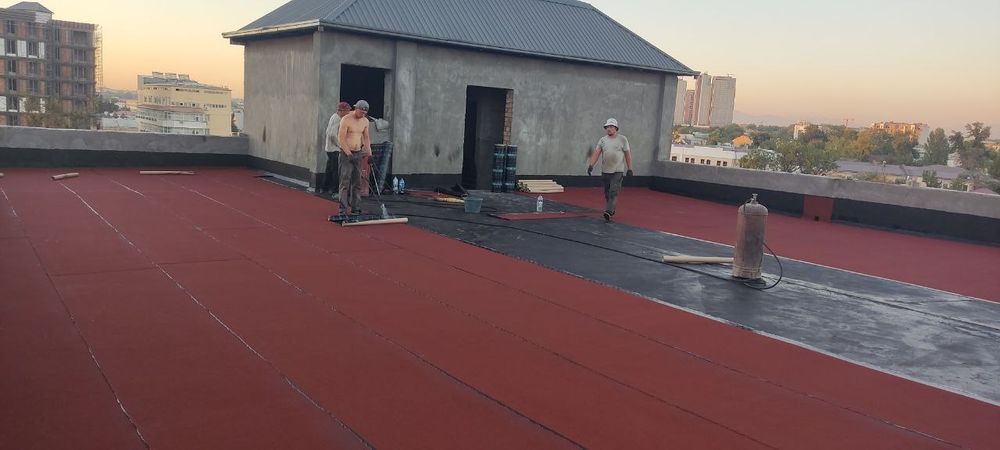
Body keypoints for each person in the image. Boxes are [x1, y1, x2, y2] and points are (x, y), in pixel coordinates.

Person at [587, 118, 633, 222]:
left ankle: (608, 211)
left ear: (616, 128)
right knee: (607, 192)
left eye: (611, 127)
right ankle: (611, 208)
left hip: (617, 171)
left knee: (613, 191)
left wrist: (630, 168)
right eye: (607, 127)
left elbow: (627, 154)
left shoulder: (623, 139)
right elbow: (597, 153)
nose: (609, 129)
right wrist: (591, 165)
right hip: (605, 170)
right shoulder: (602, 140)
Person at [337, 100, 373, 214]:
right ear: (356, 108)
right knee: (345, 181)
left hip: (358, 153)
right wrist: (348, 153)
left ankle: (355, 207)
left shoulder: (365, 121)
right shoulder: (346, 119)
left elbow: (366, 138)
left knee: (357, 182)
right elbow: (341, 139)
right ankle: (342, 209)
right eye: (361, 111)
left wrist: (369, 153)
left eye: (365, 112)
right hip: (346, 153)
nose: (363, 114)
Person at [321, 101, 352, 196]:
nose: (348, 113)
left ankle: (325, 188)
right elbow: (332, 134)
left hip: (330, 148)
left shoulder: (334, 117)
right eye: (347, 111)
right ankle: (335, 190)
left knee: (329, 169)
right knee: (336, 170)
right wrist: (341, 145)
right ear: (341, 111)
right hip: (334, 149)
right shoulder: (338, 119)